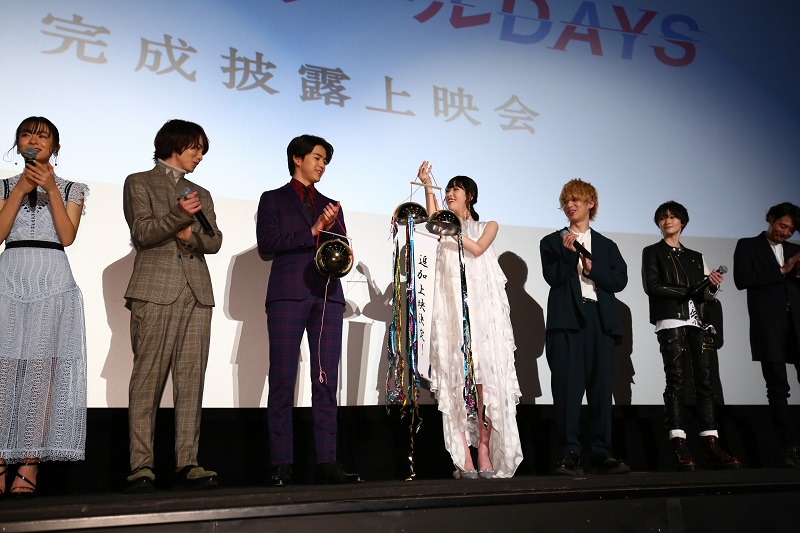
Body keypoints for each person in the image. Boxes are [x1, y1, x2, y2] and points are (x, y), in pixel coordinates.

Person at [122, 119, 222, 493]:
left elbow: (214, 240)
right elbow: (143, 233)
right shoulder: (139, 182)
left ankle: (187, 461)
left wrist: (189, 233)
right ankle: (141, 465)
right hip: (155, 290)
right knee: (147, 378)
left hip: (197, 292)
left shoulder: (201, 192)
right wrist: (180, 217)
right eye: (196, 148)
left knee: (191, 379)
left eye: (202, 150)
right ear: (175, 145)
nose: (200, 156)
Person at [256, 134, 361, 486]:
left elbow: (342, 249)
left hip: (327, 295)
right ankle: (281, 464)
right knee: (282, 380)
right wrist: (312, 230)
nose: (322, 165)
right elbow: (267, 244)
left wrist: (333, 233)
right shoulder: (273, 199)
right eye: (317, 157)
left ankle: (327, 461)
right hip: (287, 295)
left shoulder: (332, 205)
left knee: (326, 381)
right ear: (297, 159)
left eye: (325, 160)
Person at [0, 116, 88, 497]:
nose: (33, 140)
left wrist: (50, 187)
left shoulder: (72, 188)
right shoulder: (5, 186)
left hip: (52, 281)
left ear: (55, 147)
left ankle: (29, 462)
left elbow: (67, 235)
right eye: (26, 134)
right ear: (17, 144)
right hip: (9, 279)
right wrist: (20, 189)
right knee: (3, 371)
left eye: (42, 135)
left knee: (41, 374)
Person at [417, 162, 523, 479]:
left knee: (483, 383)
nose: (450, 193)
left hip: (481, 315)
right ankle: (463, 454)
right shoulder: (443, 230)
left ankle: (485, 450)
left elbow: (477, 249)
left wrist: (451, 229)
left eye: (456, 189)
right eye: (448, 189)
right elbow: (434, 221)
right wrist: (428, 186)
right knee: (455, 379)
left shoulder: (487, 225)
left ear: (470, 196)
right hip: (451, 313)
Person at [642, 201, 742, 471]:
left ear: (682, 222)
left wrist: (712, 286)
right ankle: (679, 443)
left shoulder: (696, 256)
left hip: (699, 322)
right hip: (671, 320)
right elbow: (653, 286)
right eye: (662, 217)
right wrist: (689, 289)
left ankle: (711, 444)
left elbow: (706, 296)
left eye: (672, 217)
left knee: (705, 382)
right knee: (676, 381)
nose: (667, 220)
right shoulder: (652, 251)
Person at [539, 178, 629, 476]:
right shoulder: (552, 241)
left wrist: (593, 269)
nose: (570, 205)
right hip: (566, 322)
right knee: (567, 390)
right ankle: (570, 452)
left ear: (591, 203)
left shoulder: (607, 245)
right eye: (566, 200)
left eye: (576, 199)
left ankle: (602, 452)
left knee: (601, 390)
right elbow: (552, 277)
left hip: (600, 322)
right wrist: (568, 255)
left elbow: (619, 281)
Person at [733, 202, 800, 468]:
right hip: (769, 327)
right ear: (770, 219)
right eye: (783, 226)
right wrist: (782, 270)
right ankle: (790, 447)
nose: (786, 233)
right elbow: (742, 280)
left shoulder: (795, 250)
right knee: (778, 388)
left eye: (791, 230)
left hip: (797, 325)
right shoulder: (748, 245)